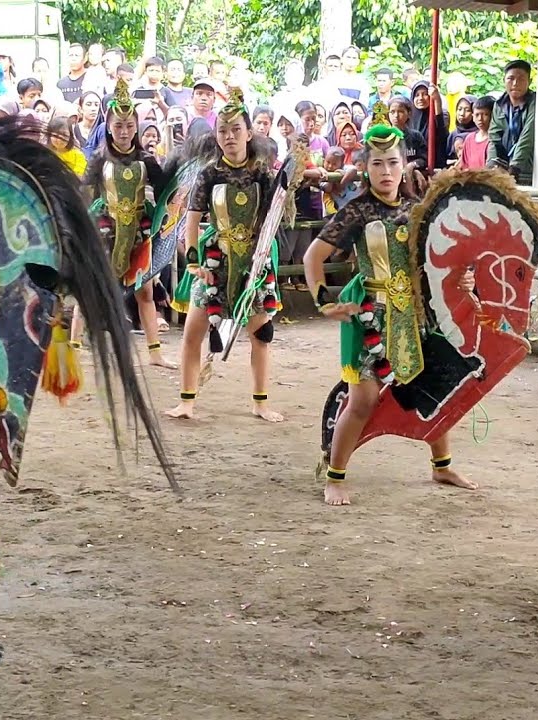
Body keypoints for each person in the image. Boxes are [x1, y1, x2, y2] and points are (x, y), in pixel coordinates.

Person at [301, 104, 477, 505]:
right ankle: (336, 475)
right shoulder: (358, 211)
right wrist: (323, 301)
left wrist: (465, 277)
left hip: (414, 312)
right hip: (371, 317)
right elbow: (313, 257)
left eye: (393, 162)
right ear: (365, 167)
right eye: (377, 163)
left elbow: (442, 262)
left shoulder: (418, 210)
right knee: (363, 400)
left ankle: (442, 464)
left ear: (403, 165)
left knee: (436, 387)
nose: (386, 171)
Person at [166, 89, 284, 423]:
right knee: (192, 333)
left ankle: (260, 402)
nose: (229, 136)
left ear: (250, 133)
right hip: (214, 262)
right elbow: (191, 221)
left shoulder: (264, 174)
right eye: (222, 130)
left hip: (255, 262)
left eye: (236, 130)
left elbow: (274, 216)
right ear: (216, 136)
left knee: (261, 334)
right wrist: (194, 261)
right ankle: (186, 401)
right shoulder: (208, 174)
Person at [75, 79, 174, 368]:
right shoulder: (98, 158)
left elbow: (166, 189)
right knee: (95, 288)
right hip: (107, 230)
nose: (124, 131)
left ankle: (155, 352)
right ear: (108, 126)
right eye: (118, 126)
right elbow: (84, 192)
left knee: (145, 291)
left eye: (129, 126)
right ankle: (75, 344)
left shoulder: (146, 159)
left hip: (139, 231)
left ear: (136, 127)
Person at [486, 59, 536, 184]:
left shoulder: (535, 102)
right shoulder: (499, 104)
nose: (515, 83)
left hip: (527, 169)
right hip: (504, 169)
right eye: (511, 78)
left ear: (529, 82)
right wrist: (492, 165)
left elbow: (527, 137)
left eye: (521, 79)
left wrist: (514, 167)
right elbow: (494, 137)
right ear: (504, 80)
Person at [458, 95, 494, 170]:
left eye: (485, 114)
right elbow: (464, 165)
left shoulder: (495, 139)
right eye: (477, 115)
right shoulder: (469, 139)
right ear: (473, 117)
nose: (480, 119)